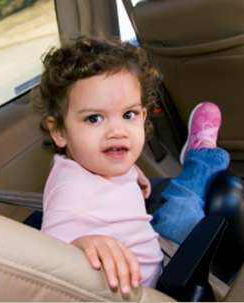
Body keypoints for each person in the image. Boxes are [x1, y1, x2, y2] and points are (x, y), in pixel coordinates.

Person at [30, 36, 230, 294]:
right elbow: (44, 260)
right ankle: (202, 156)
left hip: (148, 239)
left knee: (177, 203)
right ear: (59, 131)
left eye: (129, 114)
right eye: (94, 118)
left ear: (143, 116)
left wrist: (132, 171)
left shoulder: (85, 162)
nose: (118, 131)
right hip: (158, 286)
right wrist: (80, 244)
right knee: (186, 204)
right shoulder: (73, 196)